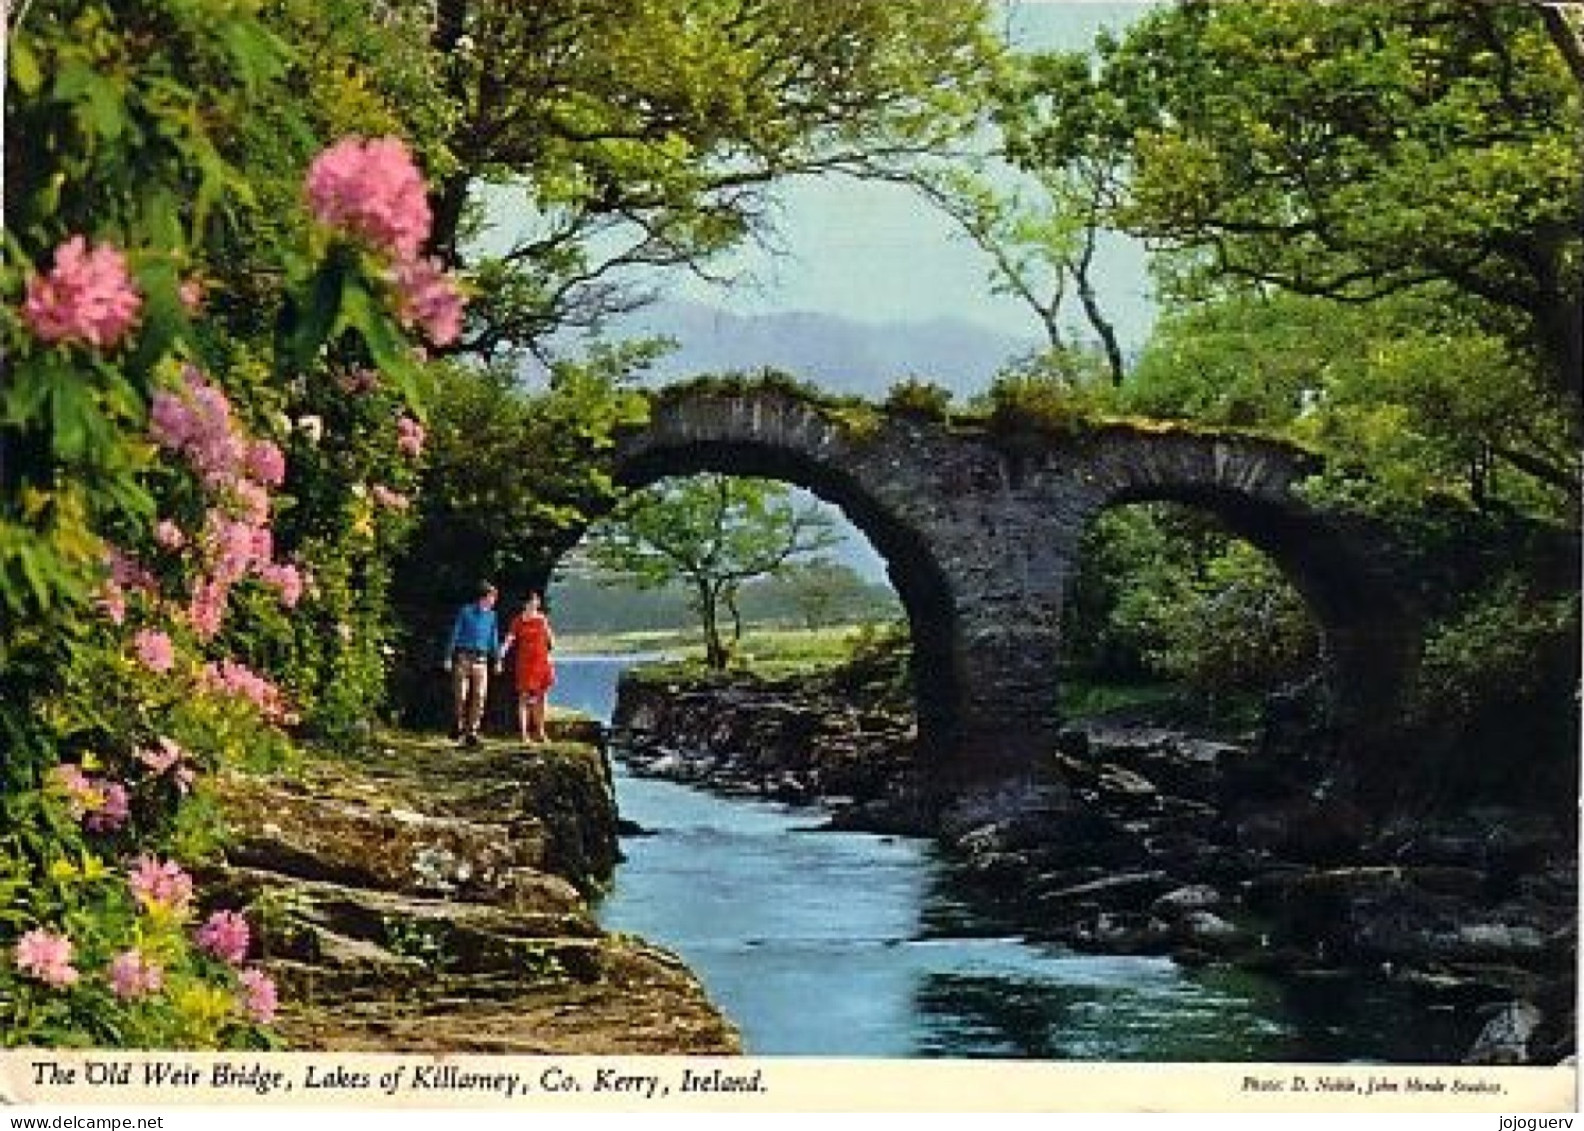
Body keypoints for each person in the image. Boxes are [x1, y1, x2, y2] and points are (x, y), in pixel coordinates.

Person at [443, 581, 501, 746]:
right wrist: (448, 656)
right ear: (485, 597)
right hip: (463, 657)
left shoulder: (492, 616)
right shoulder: (466, 611)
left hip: (481, 660)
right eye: (492, 597)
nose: (494, 600)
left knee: (480, 696)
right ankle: (458, 724)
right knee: (461, 694)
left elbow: (493, 639)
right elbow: (455, 633)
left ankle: (472, 731)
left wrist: (497, 659)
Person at [501, 591, 556, 745]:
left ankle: (540, 731)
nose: (535, 603)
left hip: (541, 662)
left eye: (536, 601)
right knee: (524, 698)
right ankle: (524, 734)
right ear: (525, 603)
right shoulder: (518, 620)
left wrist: (548, 634)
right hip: (525, 663)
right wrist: (502, 652)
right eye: (532, 601)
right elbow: (510, 638)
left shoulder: (542, 619)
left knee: (542, 697)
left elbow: (551, 641)